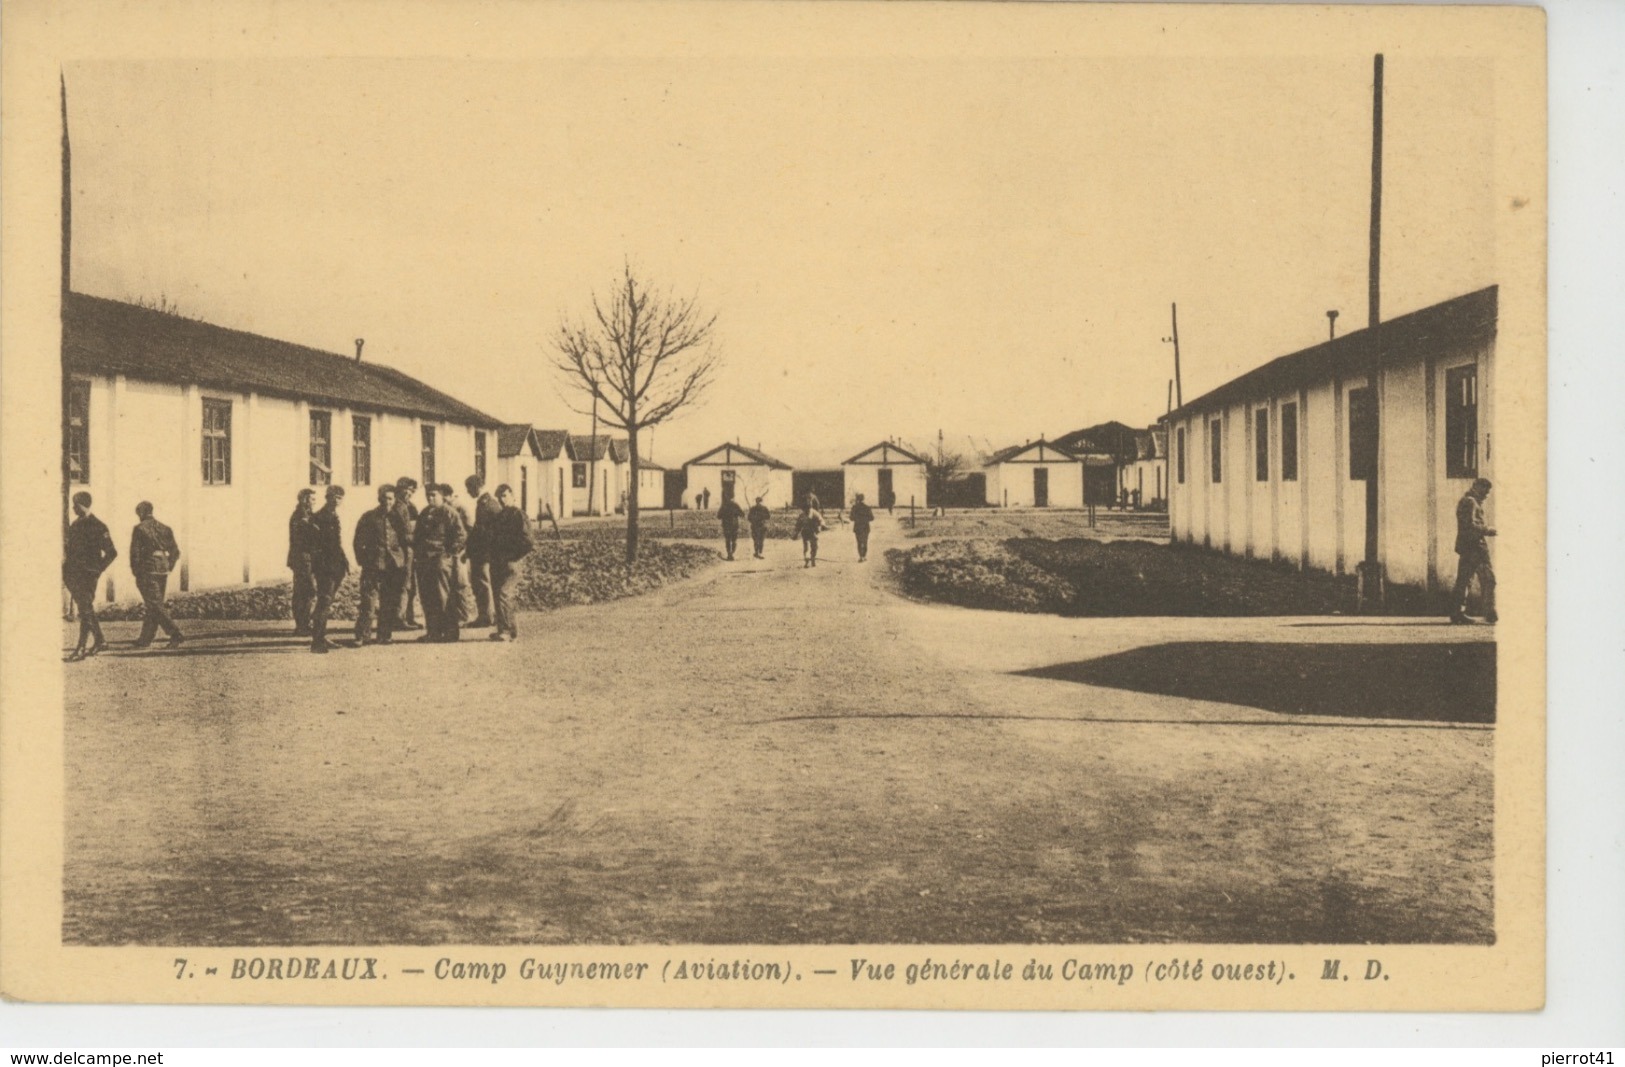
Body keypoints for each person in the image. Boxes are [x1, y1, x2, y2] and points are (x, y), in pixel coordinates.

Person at [63, 491, 117, 660]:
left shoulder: (98, 526)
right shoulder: (75, 525)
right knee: (86, 609)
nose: (73, 508)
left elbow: (112, 552)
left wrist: (97, 569)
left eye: (75, 505)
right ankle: (100, 641)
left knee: (85, 609)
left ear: (83, 505)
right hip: (73, 575)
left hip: (88, 575)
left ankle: (80, 648)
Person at [352, 484, 406, 646]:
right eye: (384, 498)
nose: (387, 502)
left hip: (393, 566)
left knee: (388, 601)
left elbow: (405, 540)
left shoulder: (398, 518)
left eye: (390, 499)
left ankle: (384, 635)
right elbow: (358, 542)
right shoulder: (369, 517)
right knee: (368, 601)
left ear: (394, 500)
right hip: (373, 565)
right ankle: (362, 635)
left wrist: (401, 560)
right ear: (378, 498)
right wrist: (364, 560)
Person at [413, 482, 466, 642]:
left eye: (434, 495)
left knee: (443, 596)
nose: (430, 498)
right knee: (427, 597)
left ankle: (450, 632)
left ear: (441, 496)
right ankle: (433, 632)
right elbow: (418, 535)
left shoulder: (449, 513)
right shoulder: (424, 512)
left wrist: (449, 553)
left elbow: (461, 535)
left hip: (441, 559)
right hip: (425, 560)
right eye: (428, 495)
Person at [128, 501, 185, 649]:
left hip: (147, 569)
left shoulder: (139, 529)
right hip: (162, 570)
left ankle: (175, 634)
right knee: (153, 604)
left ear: (141, 513)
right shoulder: (165, 528)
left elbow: (135, 554)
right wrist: (168, 565)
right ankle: (145, 639)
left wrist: (136, 571)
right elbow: (175, 552)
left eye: (138, 513)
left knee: (154, 604)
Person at [486, 484, 533, 641]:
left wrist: (514, 556)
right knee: (498, 594)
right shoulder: (499, 516)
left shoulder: (518, 515)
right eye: (499, 497)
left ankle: (506, 631)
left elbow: (527, 541)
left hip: (511, 562)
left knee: (504, 594)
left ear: (513, 495)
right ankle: (506, 630)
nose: (502, 500)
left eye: (505, 495)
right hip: (497, 561)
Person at [1450, 477, 1498, 625]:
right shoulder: (1470, 502)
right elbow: (1470, 526)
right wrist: (1487, 530)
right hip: (1475, 547)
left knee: (1464, 580)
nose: (1486, 494)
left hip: (1469, 547)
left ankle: (1457, 612)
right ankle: (1489, 613)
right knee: (1488, 579)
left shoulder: (1469, 501)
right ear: (1477, 487)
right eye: (1485, 490)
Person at [308, 485, 349, 653]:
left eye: (340, 497)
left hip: (335, 566)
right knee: (324, 602)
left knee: (327, 601)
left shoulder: (332, 515)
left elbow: (336, 544)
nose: (337, 500)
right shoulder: (320, 517)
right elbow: (317, 545)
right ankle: (317, 641)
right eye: (334, 497)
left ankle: (321, 637)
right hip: (326, 568)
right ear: (327, 497)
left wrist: (344, 562)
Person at [463, 475, 501, 628]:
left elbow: (482, 532)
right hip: (485, 551)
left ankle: (487, 616)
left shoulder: (485, 504)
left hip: (483, 552)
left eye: (469, 488)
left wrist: (473, 550)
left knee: (483, 584)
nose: (467, 491)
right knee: (484, 583)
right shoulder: (489, 503)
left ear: (476, 487)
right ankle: (488, 615)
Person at [392, 478, 422, 630]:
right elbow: (404, 531)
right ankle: (399, 618)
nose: (410, 493)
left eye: (412, 490)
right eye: (407, 490)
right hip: (403, 549)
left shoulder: (410, 506)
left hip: (411, 548)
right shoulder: (398, 506)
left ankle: (409, 617)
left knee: (411, 585)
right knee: (404, 584)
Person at [287, 488, 318, 636]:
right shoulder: (301, 516)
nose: (314, 502)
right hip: (302, 558)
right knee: (306, 590)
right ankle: (302, 625)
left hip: (305, 558)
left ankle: (304, 624)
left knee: (305, 591)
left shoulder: (306, 515)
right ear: (305, 500)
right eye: (312, 499)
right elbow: (308, 537)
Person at [796, 497, 824, 568]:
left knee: (814, 546)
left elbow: (821, 520)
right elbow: (798, 525)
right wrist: (796, 533)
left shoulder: (814, 513)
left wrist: (821, 525)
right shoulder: (802, 515)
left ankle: (813, 558)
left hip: (813, 531)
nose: (806, 510)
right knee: (806, 547)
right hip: (805, 532)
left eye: (807, 508)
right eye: (805, 509)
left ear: (810, 507)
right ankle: (807, 562)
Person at [717, 495, 745, 561]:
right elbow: (742, 514)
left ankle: (729, 554)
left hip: (726, 526)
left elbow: (718, 516)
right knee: (734, 540)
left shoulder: (724, 506)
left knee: (728, 540)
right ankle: (731, 553)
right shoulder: (735, 505)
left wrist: (724, 515)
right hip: (734, 526)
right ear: (733, 498)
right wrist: (736, 513)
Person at [849, 492, 875, 562]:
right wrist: (865, 519)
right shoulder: (867, 507)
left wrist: (857, 519)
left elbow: (851, 518)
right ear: (863, 499)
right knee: (865, 542)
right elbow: (872, 518)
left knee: (859, 542)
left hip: (857, 527)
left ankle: (861, 556)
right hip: (865, 527)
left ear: (857, 499)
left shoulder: (854, 507)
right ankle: (864, 556)